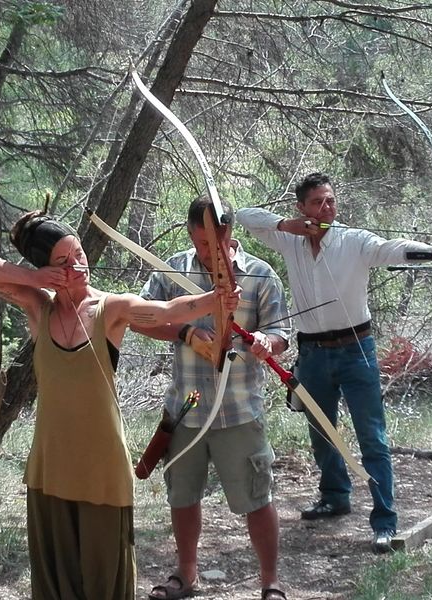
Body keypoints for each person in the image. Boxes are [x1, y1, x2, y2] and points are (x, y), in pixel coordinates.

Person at [0, 210, 239, 600]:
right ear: (47, 270)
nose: (78, 265)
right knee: (58, 581)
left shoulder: (109, 309)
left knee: (103, 581)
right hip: (51, 465)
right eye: (63, 262)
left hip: (102, 469)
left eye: (78, 253)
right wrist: (34, 279)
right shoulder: (37, 306)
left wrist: (217, 299)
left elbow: (168, 312)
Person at [236, 172, 432, 554]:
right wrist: (284, 225)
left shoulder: (354, 240)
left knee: (371, 437)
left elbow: (392, 249)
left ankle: (385, 522)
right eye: (317, 203)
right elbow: (243, 215)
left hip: (356, 349)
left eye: (330, 201)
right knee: (322, 430)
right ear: (302, 208)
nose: (326, 208)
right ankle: (334, 496)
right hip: (312, 352)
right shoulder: (289, 239)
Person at [134, 195, 290, 600]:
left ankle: (270, 582)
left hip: (238, 410)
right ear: (191, 234)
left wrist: (264, 343)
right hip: (186, 408)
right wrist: (184, 332)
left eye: (218, 242)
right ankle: (186, 574)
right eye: (203, 243)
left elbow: (280, 334)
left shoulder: (259, 274)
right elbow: (140, 317)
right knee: (183, 495)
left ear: (230, 232)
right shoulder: (174, 270)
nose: (211, 252)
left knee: (257, 497)